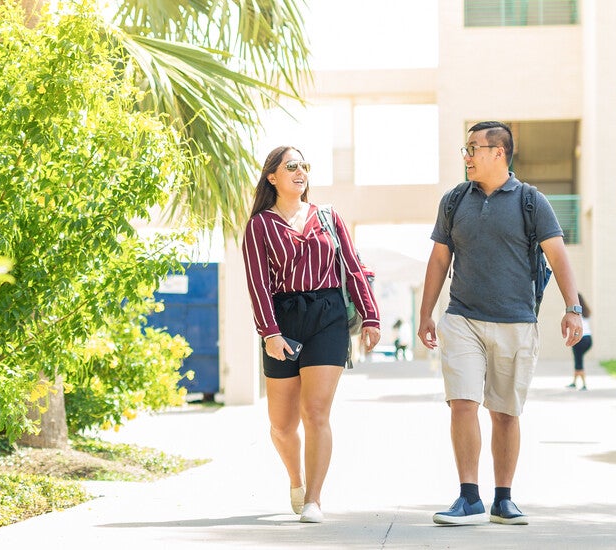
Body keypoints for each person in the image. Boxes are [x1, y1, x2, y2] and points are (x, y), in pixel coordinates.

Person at [417, 122, 584, 526]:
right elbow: (439, 259)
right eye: (466, 148)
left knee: (505, 413)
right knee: (462, 403)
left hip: (516, 321)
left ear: (499, 153)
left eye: (473, 148)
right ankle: (468, 497)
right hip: (462, 319)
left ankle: (503, 499)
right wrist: (426, 314)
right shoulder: (454, 200)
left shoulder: (531, 201)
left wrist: (573, 307)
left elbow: (558, 255)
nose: (467, 156)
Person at [243, 145, 382, 524]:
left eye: (304, 165)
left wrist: (371, 317)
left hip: (327, 317)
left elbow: (352, 268)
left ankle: (313, 500)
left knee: (316, 412)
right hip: (283, 322)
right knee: (282, 425)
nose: (300, 171)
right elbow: (257, 284)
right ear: (272, 177)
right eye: (291, 166)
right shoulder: (260, 225)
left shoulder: (328, 216)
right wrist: (270, 333)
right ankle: (296, 480)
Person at [568, 294, 592, 391]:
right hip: (588, 339)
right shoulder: (586, 312)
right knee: (578, 360)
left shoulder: (574, 313)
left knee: (578, 362)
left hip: (579, 339)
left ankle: (584, 384)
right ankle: (574, 382)